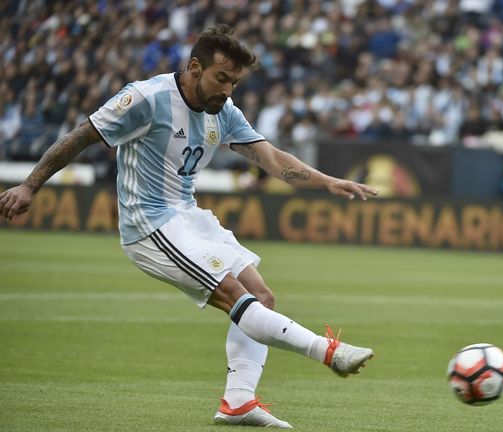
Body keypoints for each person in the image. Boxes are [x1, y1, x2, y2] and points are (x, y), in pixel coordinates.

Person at [0, 24, 379, 429]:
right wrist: (30, 184)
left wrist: (327, 181)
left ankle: (238, 403)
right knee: (235, 295)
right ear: (195, 67)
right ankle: (329, 352)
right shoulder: (147, 98)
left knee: (261, 295)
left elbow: (272, 158)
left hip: (188, 215)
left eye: (234, 82)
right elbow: (81, 136)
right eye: (221, 78)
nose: (228, 90)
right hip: (150, 224)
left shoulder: (225, 111)